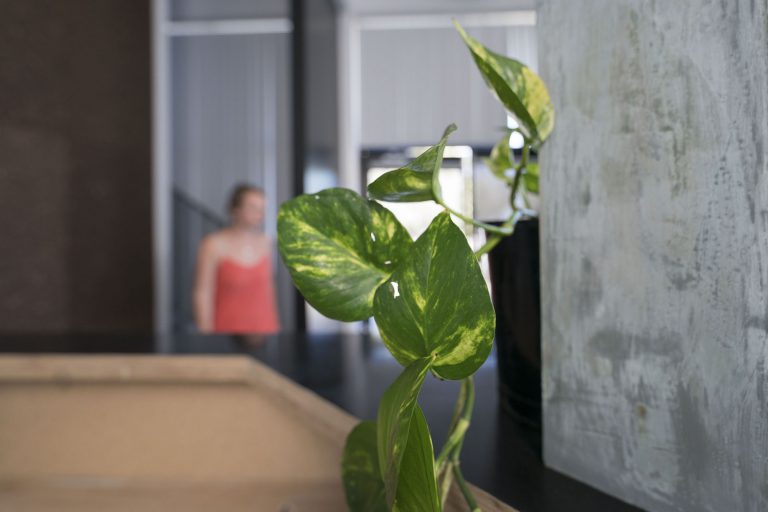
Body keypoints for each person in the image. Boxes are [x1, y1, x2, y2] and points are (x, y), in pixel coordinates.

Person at [194, 184, 280, 335]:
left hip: (264, 330)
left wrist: (276, 327)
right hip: (226, 331)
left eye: (262, 208)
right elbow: (203, 293)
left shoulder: (266, 243)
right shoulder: (213, 244)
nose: (259, 214)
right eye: (253, 207)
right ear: (236, 209)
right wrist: (206, 334)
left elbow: (269, 290)